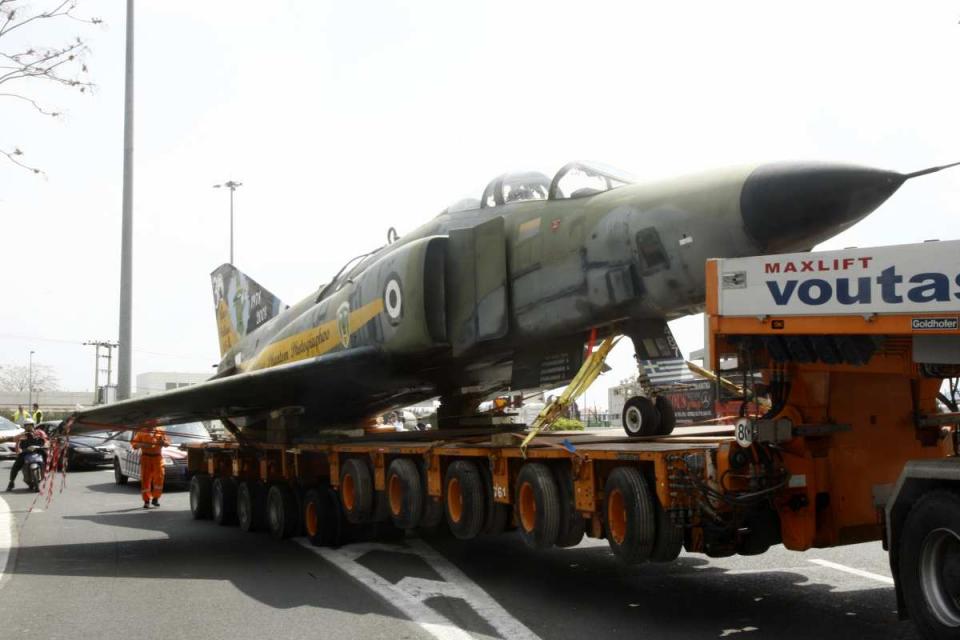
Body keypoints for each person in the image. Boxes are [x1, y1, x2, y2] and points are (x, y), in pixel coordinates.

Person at [132, 421, 170, 508]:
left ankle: (156, 498)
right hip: (146, 458)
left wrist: (163, 443)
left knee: (159, 477)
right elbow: (134, 445)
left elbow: (167, 443)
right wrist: (142, 444)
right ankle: (146, 501)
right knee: (145, 479)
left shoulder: (161, 431)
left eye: (154, 423)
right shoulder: (141, 432)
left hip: (157, 458)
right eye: (150, 423)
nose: (152, 425)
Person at [7, 419, 48, 491]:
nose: (29, 427)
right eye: (27, 426)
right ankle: (11, 482)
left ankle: (45, 473)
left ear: (33, 425)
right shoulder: (21, 435)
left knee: (48, 459)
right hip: (25, 453)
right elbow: (16, 444)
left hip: (39, 451)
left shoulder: (40, 433)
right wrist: (19, 451)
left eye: (30, 425)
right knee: (15, 466)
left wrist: (44, 446)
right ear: (24, 426)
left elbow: (46, 441)